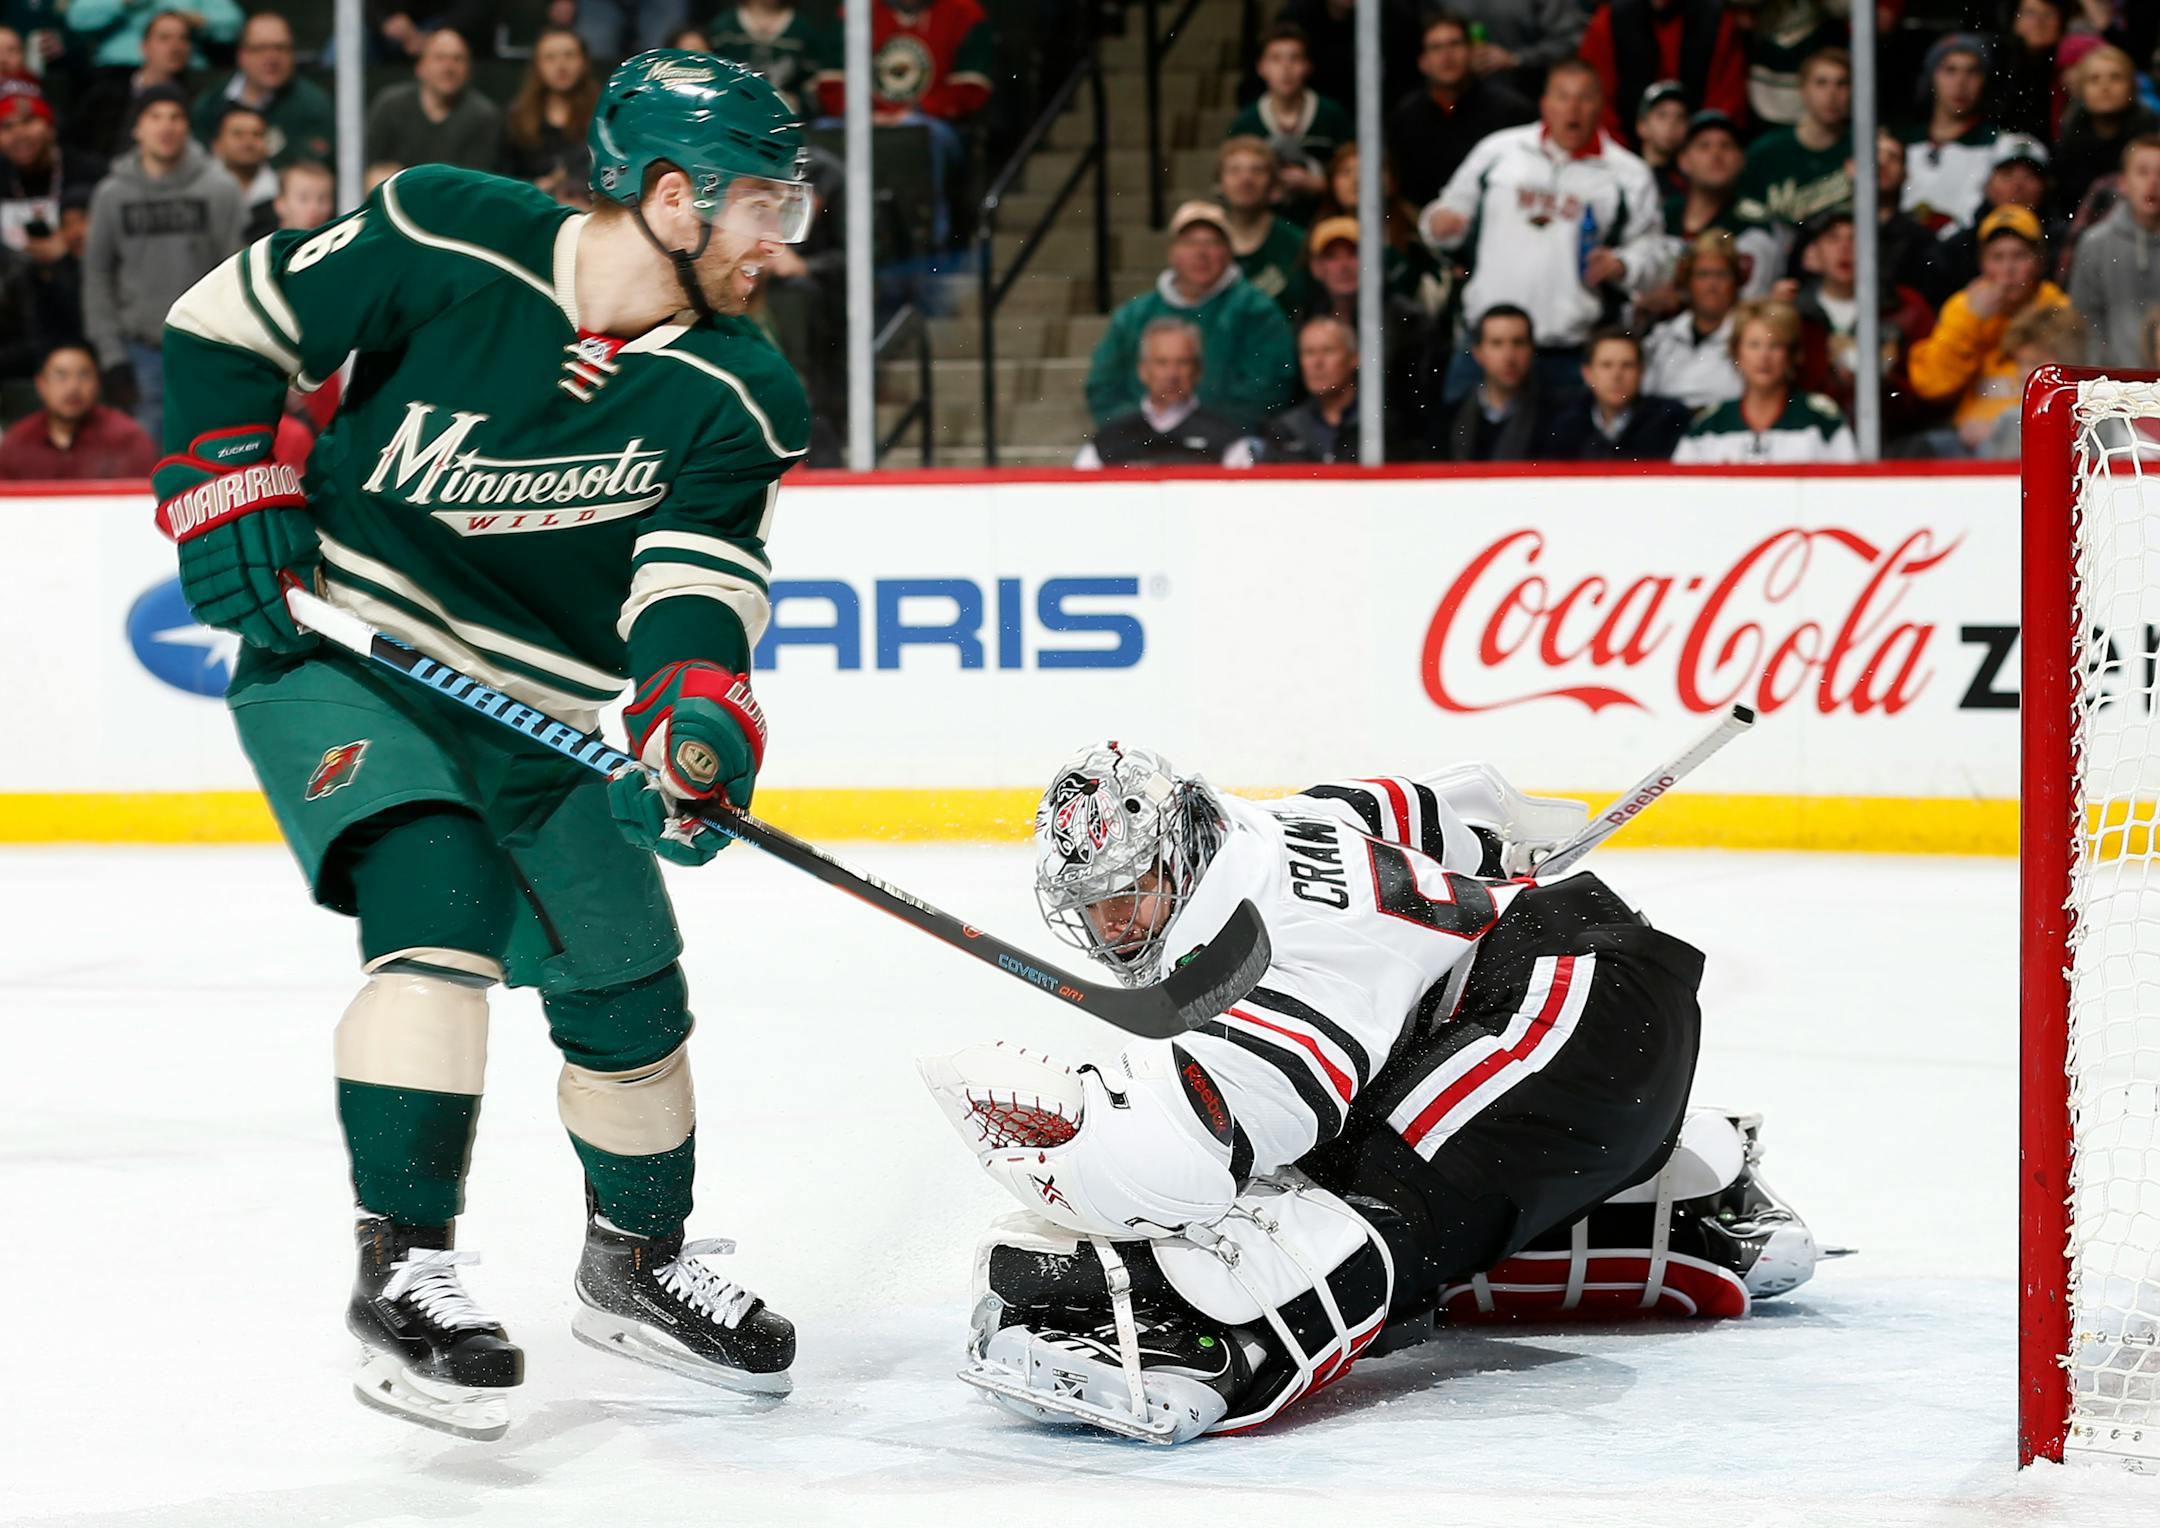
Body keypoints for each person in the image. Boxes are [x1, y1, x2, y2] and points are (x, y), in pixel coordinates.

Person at [152, 48, 818, 1440]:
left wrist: (692, 718)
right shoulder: (446, 227)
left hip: (537, 721)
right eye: (767, 205)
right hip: (343, 656)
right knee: (437, 899)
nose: (785, 242)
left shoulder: (740, 389)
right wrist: (227, 475)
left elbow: (691, 586)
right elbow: (225, 322)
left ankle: (633, 1264)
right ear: (675, 199)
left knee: (629, 990)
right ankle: (405, 1272)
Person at [921, 743, 1819, 1444]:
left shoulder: (1275, 948)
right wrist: (1506, 840)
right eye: (1095, 906)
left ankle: (1212, 1344)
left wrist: (1066, 1122)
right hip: (1586, 1013)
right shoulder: (1267, 823)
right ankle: (1685, 1203)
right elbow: (1445, 805)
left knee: (1362, 1205)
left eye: (1130, 895)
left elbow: (1198, 1157)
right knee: (1414, 1206)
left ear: (1182, 854)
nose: (1113, 926)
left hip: (1570, 1012)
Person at [1421, 60, 1669, 403]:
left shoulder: (1628, 174)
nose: (1573, 108)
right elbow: (1445, 214)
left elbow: (1655, 254)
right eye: (1563, 97)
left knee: (1559, 456)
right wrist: (1439, 223)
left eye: (1584, 98)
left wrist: (1623, 265)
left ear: (1600, 105)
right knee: (1463, 451)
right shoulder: (1498, 152)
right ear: (1545, 104)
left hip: (1569, 351)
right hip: (1485, 347)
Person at [84, 86, 244, 441]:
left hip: (206, 349)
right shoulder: (112, 194)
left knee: (207, 460)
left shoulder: (220, 189)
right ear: (137, 128)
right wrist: (112, 357)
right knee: (143, 470)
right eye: (155, 117)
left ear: (187, 126)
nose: (166, 127)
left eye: (175, 117)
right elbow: (97, 276)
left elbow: (236, 273)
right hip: (139, 350)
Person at [1085, 200, 1294, 432]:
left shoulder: (1257, 311)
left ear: (1229, 252)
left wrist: (1200, 433)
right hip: (1143, 444)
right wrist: (1145, 431)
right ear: (1172, 252)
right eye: (1190, 242)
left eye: (1212, 243)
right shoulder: (1133, 315)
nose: (1201, 253)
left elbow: (1270, 388)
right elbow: (1102, 387)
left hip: (1230, 444)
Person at [810, 0, 993, 250]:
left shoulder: (964, 12)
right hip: (861, 118)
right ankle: (822, 238)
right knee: (821, 132)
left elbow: (972, 87)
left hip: (933, 123)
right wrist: (863, 113)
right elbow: (831, 82)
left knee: (919, 132)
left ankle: (930, 240)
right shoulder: (854, 9)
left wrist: (915, 110)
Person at [1905, 204, 2070, 453]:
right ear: (1982, 263)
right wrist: (1972, 320)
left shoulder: (2058, 309)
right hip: (1966, 441)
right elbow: (1931, 385)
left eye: (2019, 256)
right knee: (1918, 449)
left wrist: (2000, 427)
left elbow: (2067, 393)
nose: (2008, 270)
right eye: (1998, 257)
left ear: (2039, 261)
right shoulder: (1965, 306)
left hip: (2038, 436)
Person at [1787, 209, 1935, 441]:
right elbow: (1784, 396)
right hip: (1812, 444)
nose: (1845, 248)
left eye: (1855, 237)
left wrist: (1886, 381)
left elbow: (1929, 398)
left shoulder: (1908, 307)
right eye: (1833, 238)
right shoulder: (1792, 314)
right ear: (1811, 255)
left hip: (1896, 444)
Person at [1673, 297, 1856, 463]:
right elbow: (1680, 490)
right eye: (1754, 345)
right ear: (1736, 353)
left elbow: (1851, 486)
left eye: (1775, 345)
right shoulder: (1709, 425)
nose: (1764, 357)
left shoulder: (1821, 419)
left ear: (1792, 354)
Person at [1383, 10, 1532, 211]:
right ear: (1423, 62)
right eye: (1436, 48)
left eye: (1455, 44)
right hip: (1420, 228)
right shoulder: (1404, 118)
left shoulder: (1511, 111)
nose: (1447, 55)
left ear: (1471, 52)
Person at [1075, 318, 1256, 469]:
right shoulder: (1107, 440)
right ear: (1143, 370)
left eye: (1183, 362)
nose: (1172, 374)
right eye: (1161, 363)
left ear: (1198, 371)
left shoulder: (1227, 439)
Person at [1578, 0, 1747, 150]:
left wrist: (1698, 152)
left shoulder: (1717, 22)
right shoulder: (1609, 20)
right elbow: (1595, 98)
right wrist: (1622, 154)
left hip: (1695, 159)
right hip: (1622, 153)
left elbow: (1726, 104)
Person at [1227, 23, 1351, 215]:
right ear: (1261, 67)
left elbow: (1356, 174)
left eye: (1295, 58)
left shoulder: (1332, 115)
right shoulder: (1245, 122)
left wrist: (1318, 185)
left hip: (1326, 221)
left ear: (1308, 66)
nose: (1286, 68)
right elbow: (1228, 184)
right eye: (1276, 59)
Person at [1660, 109, 1781, 299]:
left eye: (1726, 146)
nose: (1716, 154)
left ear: (1741, 160)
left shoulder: (1752, 223)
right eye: (1704, 146)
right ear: (1683, 161)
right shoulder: (1663, 214)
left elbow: (1748, 301)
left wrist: (1678, 299)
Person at [191, 12, 335, 169]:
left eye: (281, 48)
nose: (271, 58)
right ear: (241, 55)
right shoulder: (212, 103)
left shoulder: (313, 106)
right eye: (260, 48)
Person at [1735, 46, 1851, 231]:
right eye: (1821, 83)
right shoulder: (1765, 153)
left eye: (1842, 83)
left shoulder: (1865, 149)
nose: (1832, 94)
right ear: (1803, 89)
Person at [0, 339, 155, 476]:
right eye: (61, 375)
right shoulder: (18, 440)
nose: (73, 387)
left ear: (98, 383)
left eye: (84, 375)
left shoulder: (127, 438)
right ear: (40, 384)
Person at [1898, 34, 2004, 232]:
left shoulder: (1999, 144)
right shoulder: (1902, 143)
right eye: (1950, 70)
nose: (1961, 82)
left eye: (1972, 72)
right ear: (1931, 78)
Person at [2070, 136, 2160, 368]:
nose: (2153, 182)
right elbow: (2085, 322)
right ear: (2123, 182)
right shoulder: (2095, 243)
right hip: (2114, 385)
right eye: (2142, 172)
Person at [366, 28, 503, 174]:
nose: (448, 67)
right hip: (396, 192)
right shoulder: (391, 104)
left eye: (458, 59)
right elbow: (368, 165)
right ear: (420, 67)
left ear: (469, 69)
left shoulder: (484, 115)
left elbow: (476, 182)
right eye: (440, 58)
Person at [1542, 326, 1690, 460]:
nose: (1617, 376)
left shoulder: (1669, 419)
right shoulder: (1563, 424)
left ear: (1641, 372)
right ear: (1587, 374)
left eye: (1627, 365)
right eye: (1606, 365)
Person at [66, 6, 195, 159]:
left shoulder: (196, 99)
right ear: (144, 47)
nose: (176, 47)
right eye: (164, 38)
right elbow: (75, 144)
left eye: (183, 38)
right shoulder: (106, 94)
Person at [2053, 45, 2160, 221]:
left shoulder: (2152, 137)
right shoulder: (2069, 142)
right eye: (2094, 79)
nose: (2105, 86)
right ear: (2081, 90)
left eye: (2115, 78)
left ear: (2131, 87)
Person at [1427, 303, 1545, 461]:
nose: (1509, 357)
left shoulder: (1556, 419)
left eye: (1518, 343)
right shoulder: (1447, 419)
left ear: (1532, 350)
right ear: (1478, 353)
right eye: (1497, 343)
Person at [1641, 229, 1743, 411]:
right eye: (1703, 275)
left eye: (1721, 275)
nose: (1712, 285)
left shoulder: (1748, 337)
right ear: (1688, 282)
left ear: (1735, 282)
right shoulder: (1662, 336)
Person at [1974, 302, 2089, 459]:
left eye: (2034, 363)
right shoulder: (2010, 421)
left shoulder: (2096, 421)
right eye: (2020, 363)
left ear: (2067, 362)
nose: (2023, 374)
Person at [0, 86, 105, 254]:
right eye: (6, 126)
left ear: (50, 128)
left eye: (28, 121)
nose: (18, 133)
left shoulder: (91, 172)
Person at [1216, 135, 1306, 315]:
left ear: (1273, 184)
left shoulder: (1296, 242)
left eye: (1257, 170)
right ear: (1220, 184)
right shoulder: (1206, 240)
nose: (1246, 179)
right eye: (1235, 170)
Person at [501, 28, 597, 196]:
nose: (561, 66)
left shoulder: (603, 114)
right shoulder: (516, 117)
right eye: (550, 58)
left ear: (583, 62)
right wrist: (533, 186)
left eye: (569, 55)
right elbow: (502, 176)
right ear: (537, 65)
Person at [1262, 313, 1359, 463]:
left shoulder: (1383, 426)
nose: (1317, 362)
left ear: (1353, 358)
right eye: (1309, 352)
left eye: (1328, 350)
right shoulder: (1284, 431)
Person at [708, 1, 827, 113]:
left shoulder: (802, 29)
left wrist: (798, 100)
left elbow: (812, 82)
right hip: (732, 111)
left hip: (786, 114)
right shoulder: (723, 28)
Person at [65, 0, 239, 70]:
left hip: (184, 72)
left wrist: (198, 20)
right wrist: (123, 2)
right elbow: (76, 18)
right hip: (118, 73)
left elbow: (234, 25)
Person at [210, 102, 278, 239]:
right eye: (238, 134)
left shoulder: (282, 190)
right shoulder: (199, 190)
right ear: (217, 144)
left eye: (256, 134)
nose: (248, 142)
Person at [1635, 79, 1690, 199]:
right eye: (1662, 115)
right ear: (1641, 126)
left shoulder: (1692, 183)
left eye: (1680, 117)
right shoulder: (1623, 175)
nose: (1671, 123)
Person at [272, 156, 335, 231]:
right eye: (303, 198)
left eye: (323, 200)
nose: (314, 208)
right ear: (280, 203)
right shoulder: (260, 240)